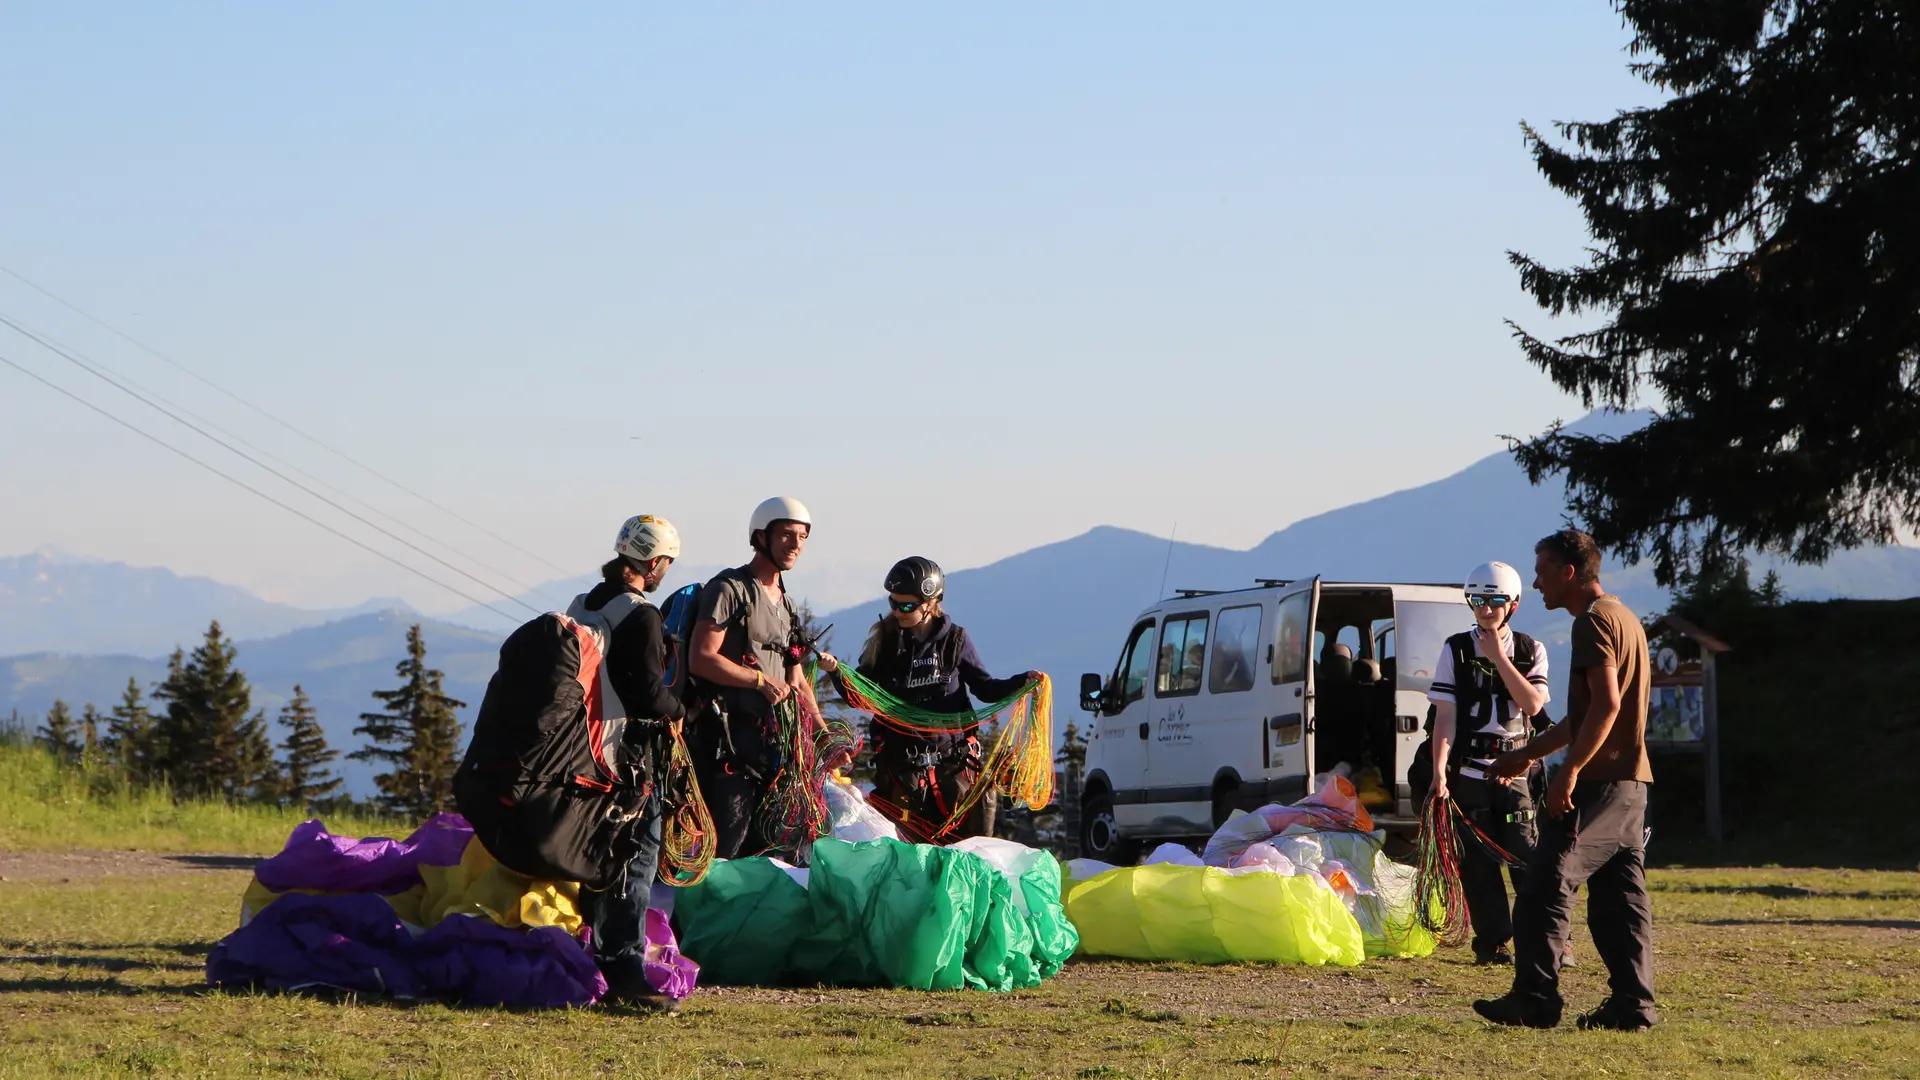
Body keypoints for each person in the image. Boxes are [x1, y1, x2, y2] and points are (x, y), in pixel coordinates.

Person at [1475, 529, 1657, 1032]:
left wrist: (1570, 771)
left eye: (1541, 571)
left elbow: (1606, 705)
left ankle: (1535, 999)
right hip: (1632, 785)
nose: (1535, 584)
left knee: (1543, 885)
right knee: (1620, 900)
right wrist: (1526, 755)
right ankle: (1633, 1006)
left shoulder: (1591, 622)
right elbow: (1583, 716)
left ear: (1568, 572)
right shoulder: (1624, 618)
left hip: (1598, 784)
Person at [819, 557, 1038, 842]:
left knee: (968, 839)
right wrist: (836, 672)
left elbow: (985, 689)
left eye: (906, 606)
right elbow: (860, 695)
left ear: (930, 602)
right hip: (902, 773)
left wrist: (1022, 682)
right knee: (909, 850)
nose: (897, 611)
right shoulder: (884, 643)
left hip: (954, 765)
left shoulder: (955, 641)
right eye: (893, 603)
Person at [575, 514, 685, 1012]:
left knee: (597, 856)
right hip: (627, 757)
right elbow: (648, 695)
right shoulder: (640, 615)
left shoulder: (584, 603)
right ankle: (624, 969)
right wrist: (682, 710)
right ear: (654, 562)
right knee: (635, 858)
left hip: (582, 752)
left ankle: (593, 953)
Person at [1423, 561, 1550, 966]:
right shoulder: (1456, 649)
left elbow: (1533, 704)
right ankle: (1492, 942)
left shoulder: (1530, 649)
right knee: (1477, 862)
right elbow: (1445, 716)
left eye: (1495, 602)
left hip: (1516, 770)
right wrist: (1439, 771)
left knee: (1526, 855)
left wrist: (1498, 657)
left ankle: (1544, 939)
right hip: (1469, 771)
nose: (1486, 609)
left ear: (1513, 604)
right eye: (1478, 601)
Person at [686, 496, 826, 859]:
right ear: (761, 537)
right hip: (731, 748)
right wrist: (759, 681)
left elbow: (796, 680)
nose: (796, 544)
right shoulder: (729, 589)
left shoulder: (787, 604)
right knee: (727, 851)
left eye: (802, 536)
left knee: (775, 853)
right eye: (787, 535)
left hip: (777, 754)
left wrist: (823, 735)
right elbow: (701, 658)